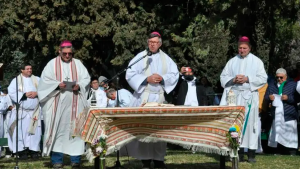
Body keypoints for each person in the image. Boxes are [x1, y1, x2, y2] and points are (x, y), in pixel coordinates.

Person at [125, 31, 179, 169]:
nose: (152, 45)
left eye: (154, 43)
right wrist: (146, 79)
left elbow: (174, 74)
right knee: (145, 129)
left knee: (159, 130)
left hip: (159, 97)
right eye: (150, 42)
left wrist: (163, 78)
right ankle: (146, 161)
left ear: (160, 44)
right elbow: (129, 73)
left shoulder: (166, 58)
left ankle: (159, 159)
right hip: (144, 96)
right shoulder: (140, 57)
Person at [37, 40, 90, 169]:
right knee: (57, 131)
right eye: (65, 53)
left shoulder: (78, 64)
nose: (67, 56)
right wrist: (56, 85)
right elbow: (44, 82)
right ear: (59, 51)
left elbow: (86, 79)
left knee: (75, 130)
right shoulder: (51, 64)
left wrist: (79, 85)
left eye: (70, 54)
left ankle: (75, 160)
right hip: (57, 104)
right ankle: (57, 160)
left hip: (75, 104)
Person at [220, 36, 267, 163]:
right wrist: (233, 80)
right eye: (240, 48)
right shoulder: (232, 61)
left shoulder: (257, 62)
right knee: (235, 124)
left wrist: (247, 79)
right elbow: (223, 77)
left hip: (249, 97)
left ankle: (251, 154)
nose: (242, 50)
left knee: (251, 124)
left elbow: (263, 78)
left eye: (244, 48)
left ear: (249, 48)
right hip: (234, 97)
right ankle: (238, 152)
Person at [7, 63, 42, 159]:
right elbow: (11, 92)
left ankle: (34, 151)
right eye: (27, 69)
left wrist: (37, 93)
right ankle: (22, 151)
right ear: (22, 70)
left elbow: (44, 90)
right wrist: (24, 95)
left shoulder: (37, 79)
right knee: (21, 131)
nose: (30, 70)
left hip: (34, 112)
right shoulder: (16, 81)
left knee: (34, 132)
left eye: (31, 68)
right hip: (22, 111)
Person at [265, 68, 298, 155]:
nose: (279, 79)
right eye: (277, 77)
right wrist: (269, 97)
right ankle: (278, 151)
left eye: (281, 77)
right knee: (277, 132)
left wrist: (288, 98)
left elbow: (297, 99)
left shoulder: (293, 85)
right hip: (276, 114)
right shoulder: (272, 85)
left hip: (289, 113)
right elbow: (266, 97)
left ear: (286, 76)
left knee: (289, 133)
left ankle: (292, 151)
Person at [0, 88, 13, 157]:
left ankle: (9, 151)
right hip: (4, 116)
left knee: (5, 133)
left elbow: (9, 106)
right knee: (4, 134)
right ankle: (5, 150)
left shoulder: (5, 96)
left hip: (5, 116)